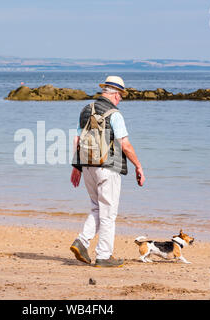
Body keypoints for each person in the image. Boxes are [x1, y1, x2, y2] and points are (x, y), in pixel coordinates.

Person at [70, 76, 145, 267]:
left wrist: (76, 166)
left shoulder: (86, 110)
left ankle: (82, 241)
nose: (120, 100)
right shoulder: (115, 114)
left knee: (97, 207)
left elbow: (77, 140)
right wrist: (138, 166)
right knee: (108, 214)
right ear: (116, 95)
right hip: (107, 169)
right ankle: (103, 256)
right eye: (121, 96)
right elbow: (125, 145)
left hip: (87, 167)